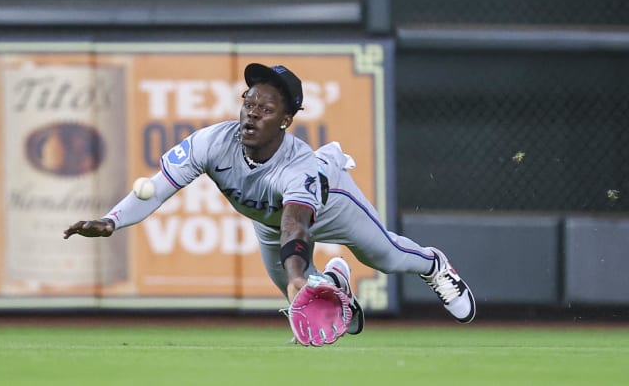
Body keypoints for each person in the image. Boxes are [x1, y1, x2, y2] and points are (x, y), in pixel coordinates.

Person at [63, 63, 476, 334]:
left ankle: (434, 264)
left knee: (383, 258)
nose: (252, 113)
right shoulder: (212, 142)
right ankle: (336, 287)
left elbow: (296, 224)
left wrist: (296, 271)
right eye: (248, 102)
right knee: (303, 298)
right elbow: (159, 187)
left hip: (331, 206)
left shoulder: (298, 166)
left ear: (286, 119)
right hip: (269, 223)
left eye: (266, 108)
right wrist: (112, 220)